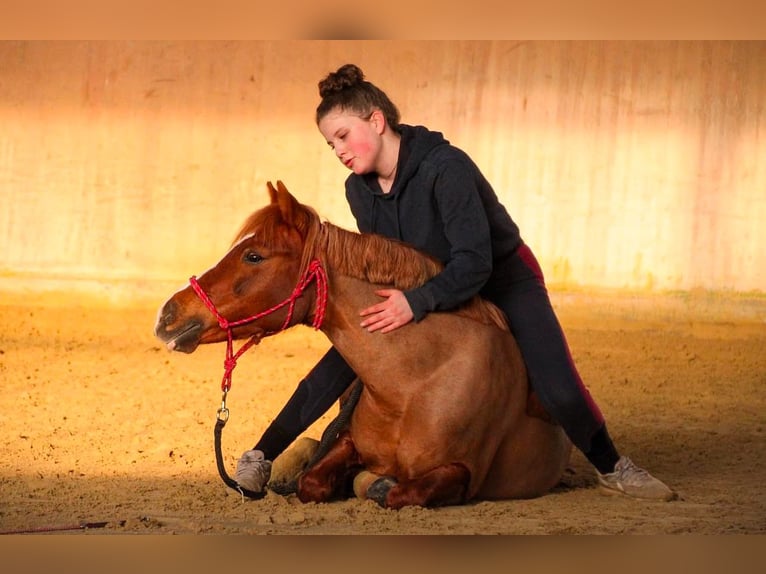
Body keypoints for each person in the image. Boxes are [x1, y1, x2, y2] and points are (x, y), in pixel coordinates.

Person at [235, 63, 675, 502]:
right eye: (330, 143)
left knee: (557, 385)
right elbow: (384, 262)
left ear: (377, 120)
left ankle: (613, 466)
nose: (339, 150)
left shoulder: (446, 168)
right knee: (345, 353)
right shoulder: (358, 189)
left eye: (344, 135)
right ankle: (262, 454)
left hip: (499, 277)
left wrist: (416, 302)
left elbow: (474, 261)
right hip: (422, 289)